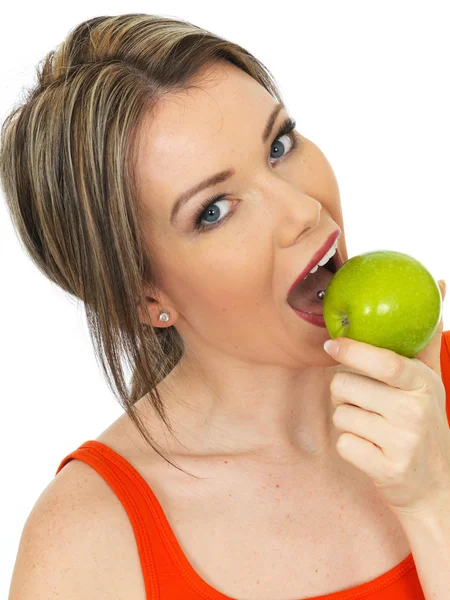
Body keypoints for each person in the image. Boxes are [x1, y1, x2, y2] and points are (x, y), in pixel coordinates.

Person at [3, 13, 447, 600]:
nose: (301, 212)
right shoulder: (88, 545)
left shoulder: (437, 387)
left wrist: (434, 500)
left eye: (279, 145)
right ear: (146, 296)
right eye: (213, 210)